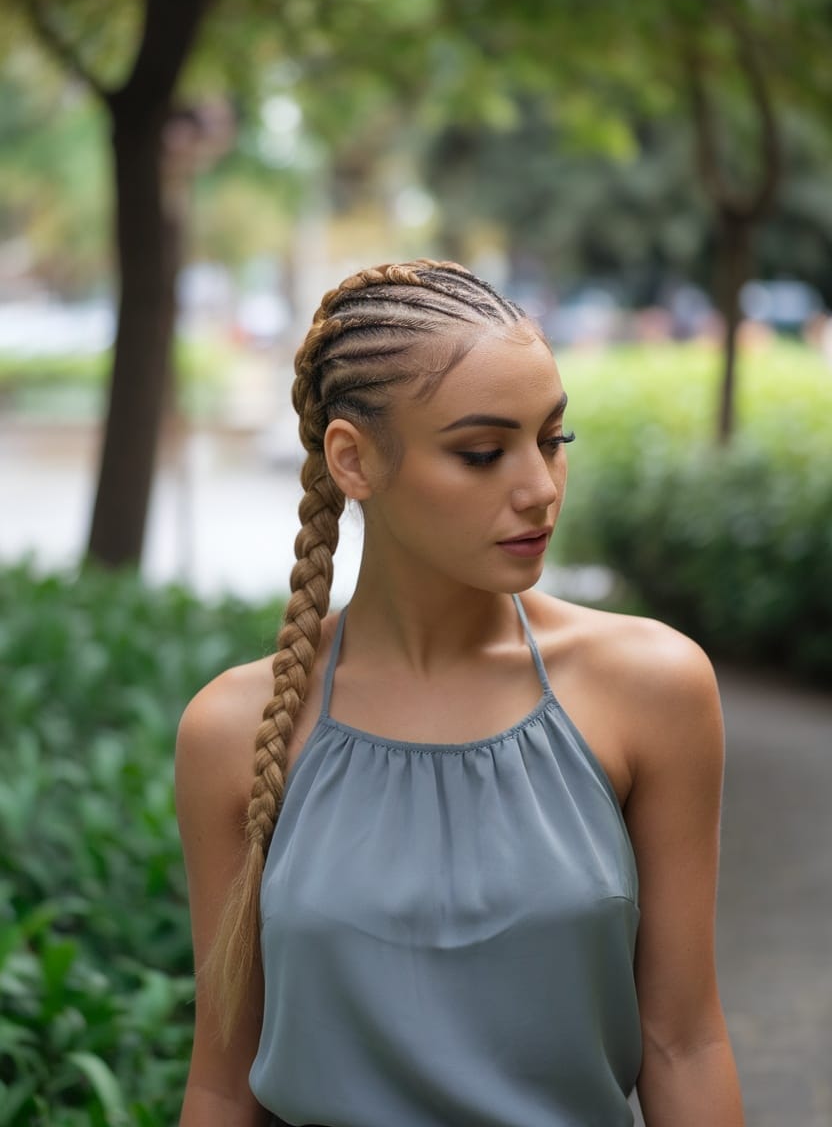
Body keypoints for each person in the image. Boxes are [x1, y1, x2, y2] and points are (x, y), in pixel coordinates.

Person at [176, 259, 745, 1127]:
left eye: (553, 439)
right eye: (482, 453)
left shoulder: (650, 689)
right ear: (353, 459)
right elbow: (223, 1082)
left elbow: (684, 1044)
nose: (540, 488)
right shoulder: (237, 729)